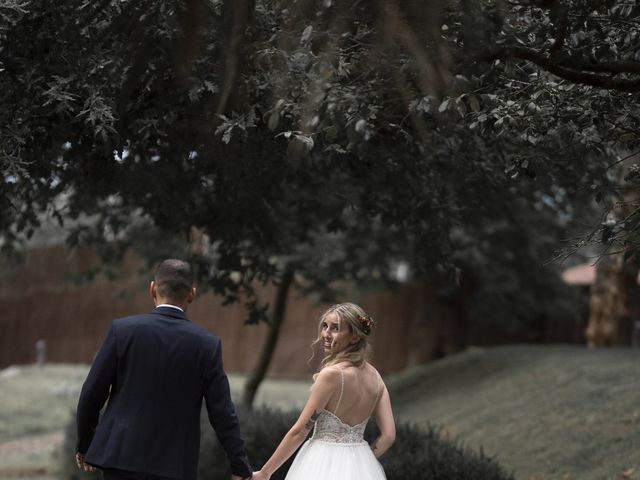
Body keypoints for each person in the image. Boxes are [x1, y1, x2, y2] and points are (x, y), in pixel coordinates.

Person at [75, 259, 253, 480]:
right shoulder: (207, 345)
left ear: (152, 288)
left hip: (120, 458)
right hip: (174, 466)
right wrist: (240, 466)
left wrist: (85, 443)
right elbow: (223, 413)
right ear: (192, 294)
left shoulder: (122, 331)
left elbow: (92, 393)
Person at [253, 302, 396, 480]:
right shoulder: (376, 377)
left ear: (354, 337)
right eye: (325, 326)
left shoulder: (332, 375)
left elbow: (300, 431)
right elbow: (389, 435)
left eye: (335, 329)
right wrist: (363, 462)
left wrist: (266, 472)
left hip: (320, 465)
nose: (325, 334)